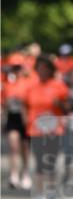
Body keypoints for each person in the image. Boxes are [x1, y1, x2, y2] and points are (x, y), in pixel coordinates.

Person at [24, 55, 69, 199]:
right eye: (39, 68)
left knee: (50, 164)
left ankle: (51, 198)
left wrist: (61, 104)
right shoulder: (31, 86)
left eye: (45, 68)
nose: (42, 71)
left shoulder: (58, 86)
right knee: (39, 165)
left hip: (53, 130)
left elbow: (67, 107)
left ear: (50, 70)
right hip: (36, 131)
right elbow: (25, 105)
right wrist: (26, 122)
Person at [1, 58, 33, 190]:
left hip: (25, 119)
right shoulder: (8, 85)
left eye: (18, 68)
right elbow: (3, 104)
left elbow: (32, 102)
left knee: (25, 148)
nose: (16, 71)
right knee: (13, 146)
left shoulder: (29, 84)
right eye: (14, 68)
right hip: (12, 118)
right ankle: (13, 174)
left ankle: (25, 173)